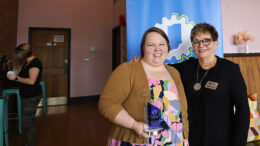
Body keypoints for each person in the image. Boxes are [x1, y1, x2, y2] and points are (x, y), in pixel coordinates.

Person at [131, 23, 250, 146]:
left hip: (222, 140)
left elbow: (243, 110)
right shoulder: (187, 67)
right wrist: (143, 61)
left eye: (206, 41)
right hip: (191, 140)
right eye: (196, 41)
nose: (201, 45)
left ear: (216, 43)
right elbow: (162, 68)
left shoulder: (230, 70)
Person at [99, 27, 189, 145]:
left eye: (162, 44)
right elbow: (106, 103)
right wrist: (134, 125)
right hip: (138, 141)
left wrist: (185, 137)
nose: (157, 49)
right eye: (151, 45)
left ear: (168, 47)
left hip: (175, 141)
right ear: (143, 49)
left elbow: (182, 109)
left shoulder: (174, 72)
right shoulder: (128, 70)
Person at [7, 43, 42, 146]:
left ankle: (30, 144)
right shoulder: (26, 61)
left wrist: (16, 78)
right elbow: (17, 72)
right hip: (27, 95)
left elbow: (32, 81)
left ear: (24, 54)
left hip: (32, 96)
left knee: (28, 123)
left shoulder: (35, 63)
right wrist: (13, 66)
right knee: (27, 121)